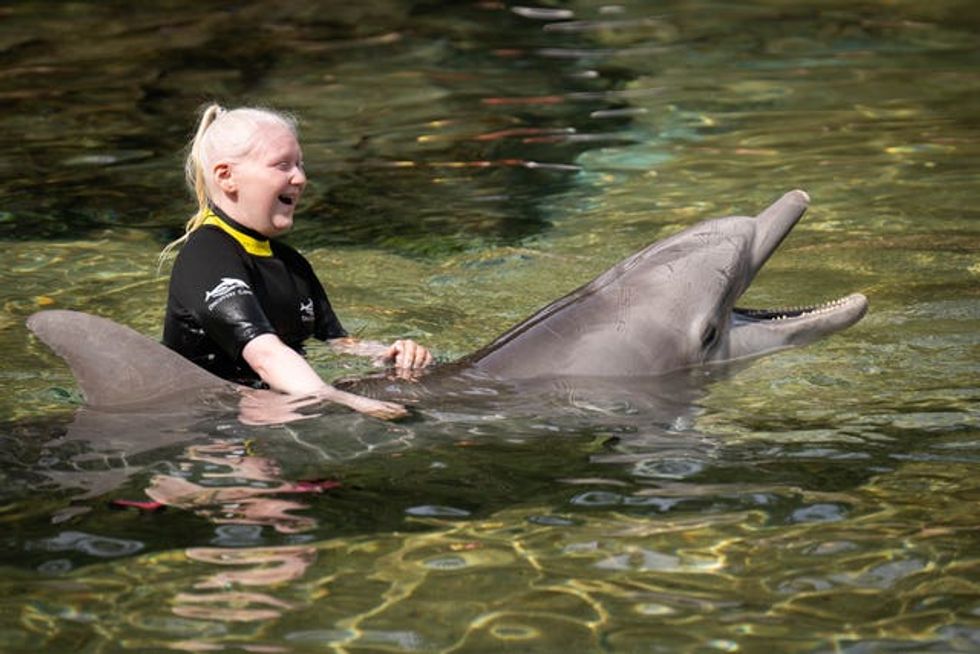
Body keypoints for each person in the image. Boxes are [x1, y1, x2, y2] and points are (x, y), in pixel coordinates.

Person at [160, 104, 432, 419]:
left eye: (300, 165)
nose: (301, 178)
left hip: (267, 406)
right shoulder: (206, 254)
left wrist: (391, 353)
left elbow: (339, 344)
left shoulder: (292, 264)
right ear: (227, 177)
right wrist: (337, 398)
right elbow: (265, 356)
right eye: (282, 165)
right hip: (210, 423)